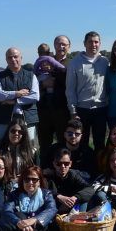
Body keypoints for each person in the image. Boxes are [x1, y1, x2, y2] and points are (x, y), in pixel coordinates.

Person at [66, 31, 109, 152]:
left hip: (101, 109)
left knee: (100, 143)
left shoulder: (105, 61)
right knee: (82, 143)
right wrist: (73, 111)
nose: (93, 45)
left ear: (100, 43)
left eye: (96, 42)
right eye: (90, 42)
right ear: (84, 43)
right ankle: (82, 164)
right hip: (81, 110)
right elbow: (70, 89)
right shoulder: (75, 63)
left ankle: (98, 164)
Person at [0, 47, 40, 148]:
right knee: (2, 147)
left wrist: (14, 101)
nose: (13, 59)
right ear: (6, 60)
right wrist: (16, 93)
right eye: (10, 57)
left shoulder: (31, 75)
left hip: (27, 118)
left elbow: (35, 96)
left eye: (15, 56)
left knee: (29, 147)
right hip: (4, 119)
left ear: (21, 58)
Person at [36, 35, 71, 163]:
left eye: (64, 44)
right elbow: (34, 80)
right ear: (54, 46)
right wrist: (42, 84)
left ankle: (63, 168)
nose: (61, 47)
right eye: (58, 44)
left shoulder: (71, 63)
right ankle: (45, 169)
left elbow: (70, 82)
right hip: (44, 110)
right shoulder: (44, 60)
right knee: (44, 144)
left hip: (62, 109)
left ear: (69, 47)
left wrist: (54, 76)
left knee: (63, 143)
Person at [44, 147, 98, 215]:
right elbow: (43, 192)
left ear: (70, 164)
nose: (63, 166)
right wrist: (59, 197)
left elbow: (90, 189)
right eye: (59, 163)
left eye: (66, 163)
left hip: (72, 207)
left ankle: (79, 220)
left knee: (84, 201)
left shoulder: (73, 175)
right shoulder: (48, 177)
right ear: (54, 164)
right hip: (54, 209)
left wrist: (75, 198)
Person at [0, 121, 36, 186]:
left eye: (20, 132)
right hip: (0, 184)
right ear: (8, 132)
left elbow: (36, 171)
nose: (16, 134)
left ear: (24, 134)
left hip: (24, 185)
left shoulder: (31, 151)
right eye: (13, 131)